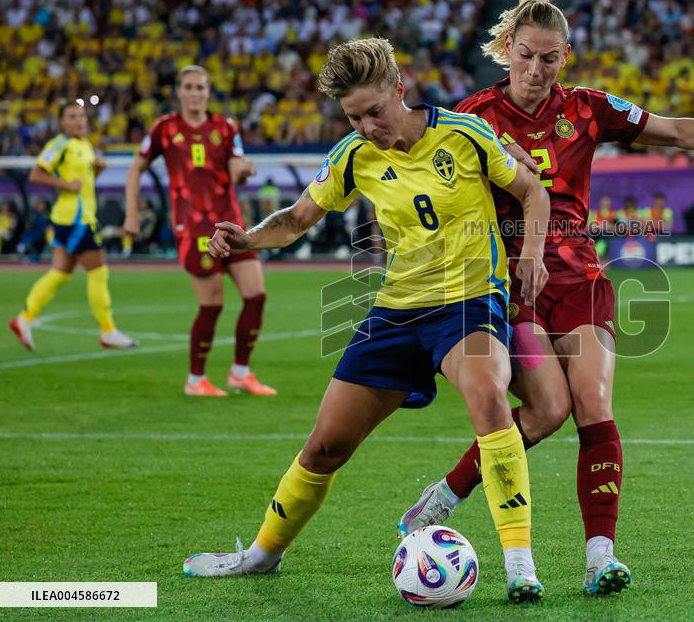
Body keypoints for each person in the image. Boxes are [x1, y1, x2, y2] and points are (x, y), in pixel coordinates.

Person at [395, 0, 694, 596]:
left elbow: (669, 128)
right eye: (525, 56)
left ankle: (600, 558)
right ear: (507, 48)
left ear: (565, 57)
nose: (535, 70)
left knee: (593, 402)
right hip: (512, 287)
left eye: (549, 58)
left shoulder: (587, 109)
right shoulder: (473, 118)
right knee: (546, 412)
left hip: (581, 282)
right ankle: (446, 495)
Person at [181, 38, 553, 603]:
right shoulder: (354, 154)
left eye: (374, 112)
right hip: (397, 310)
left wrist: (532, 254)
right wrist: (248, 238)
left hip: (469, 302)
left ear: (399, 90)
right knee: (325, 447)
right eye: (353, 117)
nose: (367, 127)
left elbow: (531, 191)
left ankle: (520, 566)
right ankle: (260, 556)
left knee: (488, 398)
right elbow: (298, 219)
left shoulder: (464, 134)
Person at [123, 65, 276, 397]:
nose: (195, 93)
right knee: (212, 304)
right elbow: (136, 169)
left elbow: (235, 170)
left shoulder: (225, 127)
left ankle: (240, 373)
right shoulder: (165, 128)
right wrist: (131, 215)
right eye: (189, 87)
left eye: (200, 87)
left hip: (231, 225)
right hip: (193, 229)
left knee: (256, 296)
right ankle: (196, 380)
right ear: (179, 92)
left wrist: (244, 172)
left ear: (208, 92)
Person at [9, 102, 136, 351]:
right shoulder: (60, 144)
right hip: (75, 219)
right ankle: (108, 330)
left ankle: (24, 318)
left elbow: (83, 183)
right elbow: (36, 174)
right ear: (62, 122)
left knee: (60, 272)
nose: (79, 120)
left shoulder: (85, 145)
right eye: (72, 116)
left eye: (81, 116)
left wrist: (97, 171)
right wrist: (65, 186)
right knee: (98, 271)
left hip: (77, 217)